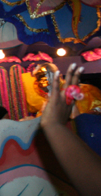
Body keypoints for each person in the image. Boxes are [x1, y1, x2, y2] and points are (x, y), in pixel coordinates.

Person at [41, 63, 101, 195]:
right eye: (42, 77)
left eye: (48, 75)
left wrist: (90, 113)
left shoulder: (85, 91)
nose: (45, 80)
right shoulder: (47, 104)